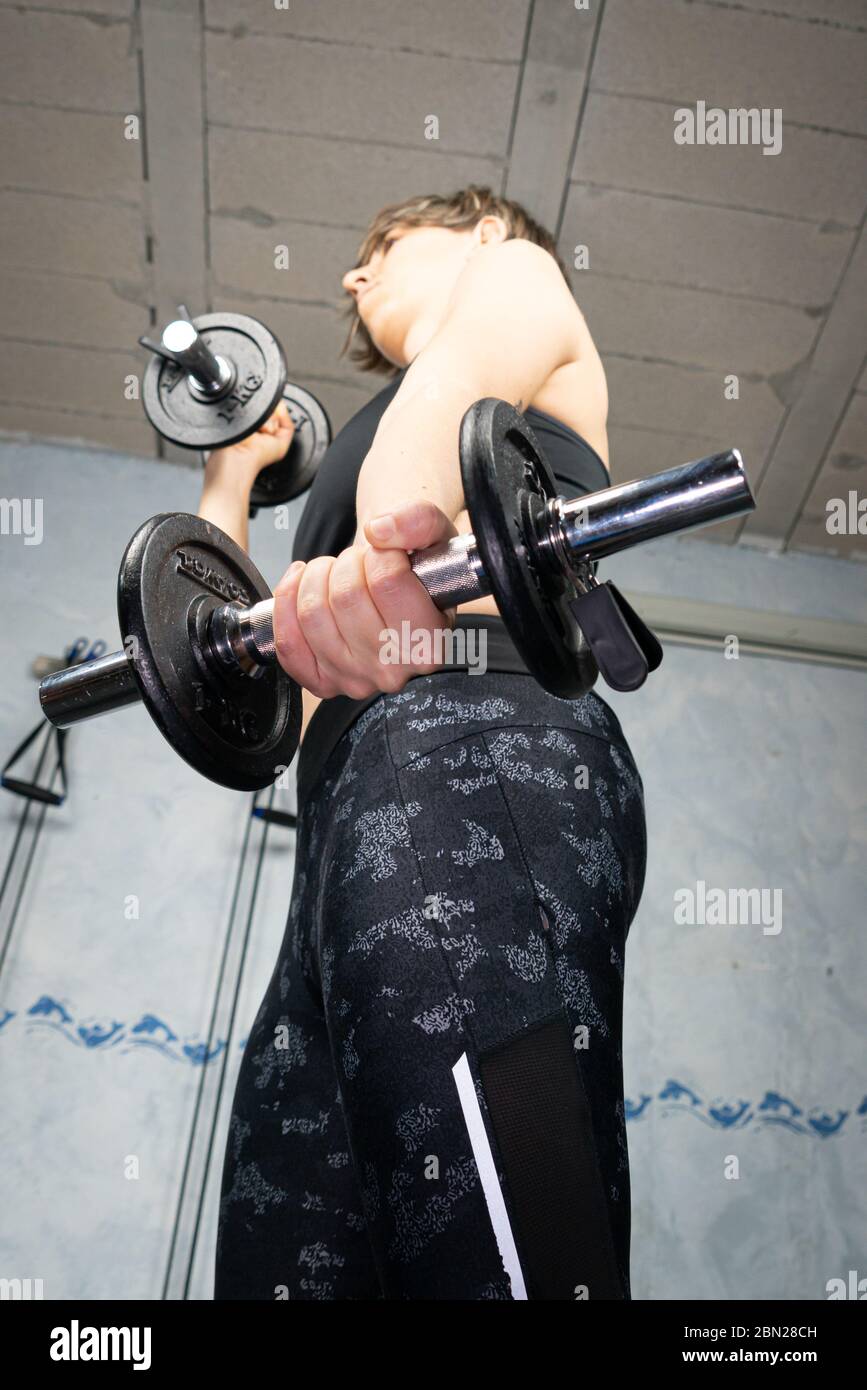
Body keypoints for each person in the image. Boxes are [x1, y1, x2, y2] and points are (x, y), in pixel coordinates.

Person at [200, 187, 647, 1300]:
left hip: (478, 733)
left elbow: (434, 441)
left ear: (485, 229)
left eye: (383, 246)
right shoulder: (355, 465)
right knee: (290, 1240)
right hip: (345, 816)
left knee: (494, 1228)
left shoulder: (522, 280)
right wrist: (231, 480)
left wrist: (382, 561)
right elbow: (228, 665)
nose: (355, 278)